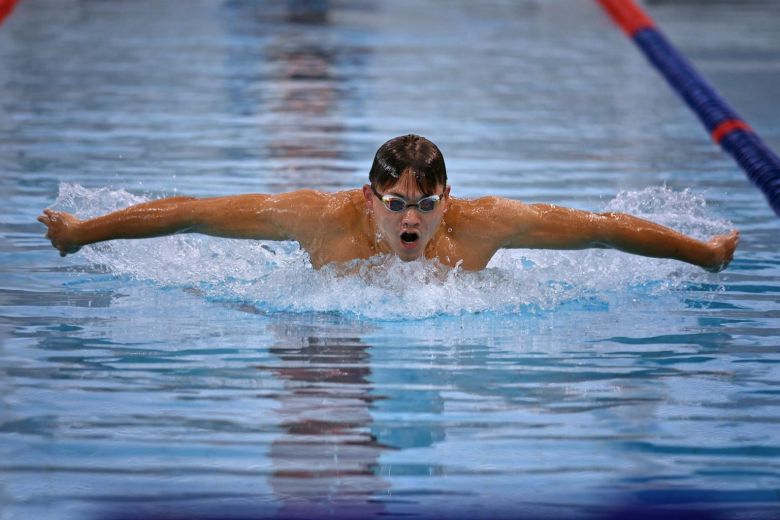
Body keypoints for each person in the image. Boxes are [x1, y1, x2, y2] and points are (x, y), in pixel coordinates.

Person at [38, 134, 738, 272]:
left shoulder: (482, 225)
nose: (412, 220)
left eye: (426, 206)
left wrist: (701, 254)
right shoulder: (316, 216)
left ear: (447, 199)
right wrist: (80, 233)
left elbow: (602, 233)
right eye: (398, 203)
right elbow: (189, 211)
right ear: (369, 197)